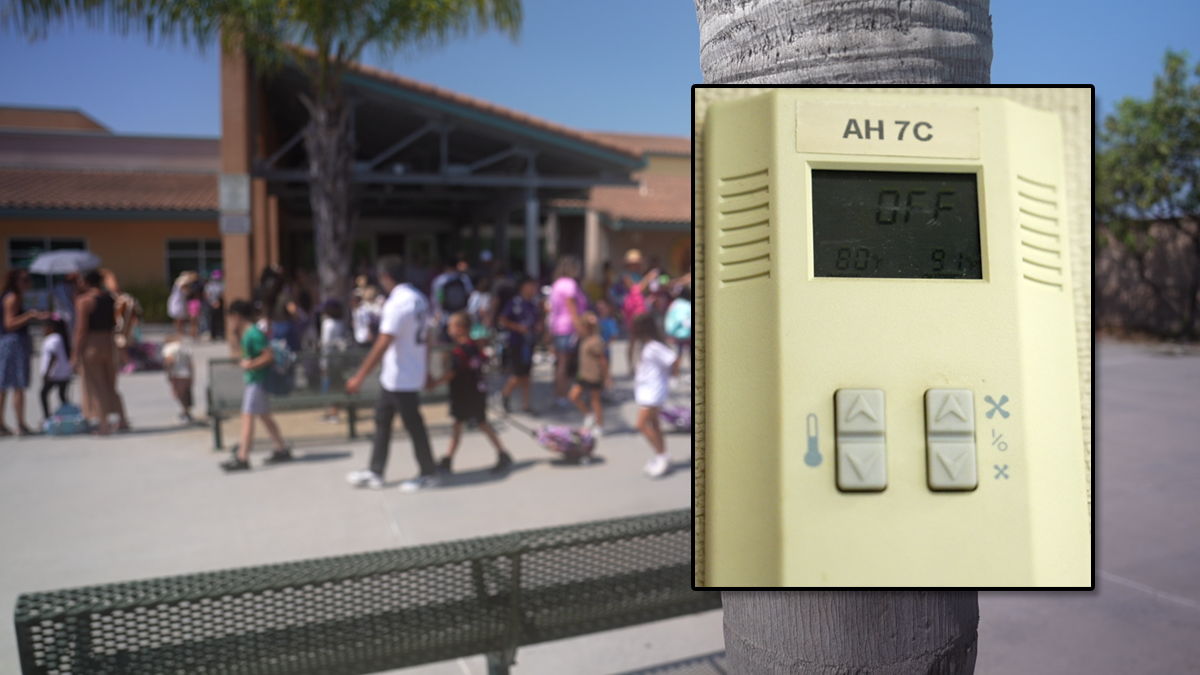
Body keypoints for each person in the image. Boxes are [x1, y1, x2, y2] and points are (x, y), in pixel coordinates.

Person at [345, 255, 438, 491]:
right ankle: (376, 471)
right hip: (401, 374)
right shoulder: (418, 298)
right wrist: (425, 369)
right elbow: (427, 337)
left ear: (386, 277)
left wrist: (359, 376)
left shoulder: (397, 303)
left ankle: (428, 472)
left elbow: (383, 343)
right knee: (382, 420)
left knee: (413, 425)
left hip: (401, 376)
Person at [429, 312, 513, 475]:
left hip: (465, 394)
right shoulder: (474, 346)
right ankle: (448, 459)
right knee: (461, 424)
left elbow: (452, 372)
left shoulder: (459, 351)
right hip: (474, 392)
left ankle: (502, 453)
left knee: (480, 424)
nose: (449, 329)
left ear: (461, 328)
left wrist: (435, 383)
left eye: (451, 326)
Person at [221, 300, 291, 470]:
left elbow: (268, 356)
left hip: (256, 381)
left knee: (247, 416)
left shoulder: (253, 333)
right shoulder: (248, 333)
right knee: (264, 416)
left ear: (236, 316)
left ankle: (243, 456)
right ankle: (280, 448)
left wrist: (249, 365)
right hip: (255, 380)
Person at [72, 270, 130, 435]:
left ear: (85, 282)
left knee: (95, 385)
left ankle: (103, 425)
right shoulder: (110, 299)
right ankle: (123, 420)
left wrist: (75, 354)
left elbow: (81, 330)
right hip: (109, 342)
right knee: (110, 384)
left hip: (92, 343)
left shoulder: (84, 301)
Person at [631, 312, 679, 479]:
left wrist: (673, 377)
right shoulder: (645, 345)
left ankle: (662, 456)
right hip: (647, 390)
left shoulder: (653, 346)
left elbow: (674, 359)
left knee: (641, 425)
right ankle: (663, 455)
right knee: (654, 425)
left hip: (654, 391)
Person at [0, 270, 48, 435]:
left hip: (10, 343)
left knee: (5, 385)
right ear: (15, 281)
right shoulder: (12, 297)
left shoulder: (11, 296)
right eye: (24, 280)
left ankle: (5, 425)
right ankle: (20, 424)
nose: (28, 283)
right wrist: (30, 315)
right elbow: (9, 323)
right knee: (16, 385)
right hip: (13, 343)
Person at [547, 255, 589, 407]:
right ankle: (563, 394)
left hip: (558, 327)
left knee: (560, 363)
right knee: (566, 364)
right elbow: (573, 311)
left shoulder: (556, 284)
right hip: (569, 328)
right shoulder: (570, 285)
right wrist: (581, 330)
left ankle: (559, 393)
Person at [498, 276, 541, 415]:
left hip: (529, 343)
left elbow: (536, 322)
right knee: (518, 374)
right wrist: (517, 328)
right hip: (517, 343)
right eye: (531, 286)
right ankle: (504, 394)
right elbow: (503, 319)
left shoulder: (534, 304)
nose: (534, 289)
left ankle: (526, 403)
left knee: (527, 375)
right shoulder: (515, 302)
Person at [567, 312, 611, 436]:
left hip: (594, 375)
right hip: (583, 374)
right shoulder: (583, 339)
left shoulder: (596, 341)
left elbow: (603, 359)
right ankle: (588, 415)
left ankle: (599, 425)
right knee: (573, 396)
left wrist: (607, 377)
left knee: (595, 401)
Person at [319, 299, 351, 423]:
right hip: (339, 359)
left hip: (330, 358)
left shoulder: (328, 323)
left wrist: (323, 363)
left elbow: (326, 345)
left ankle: (332, 413)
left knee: (331, 386)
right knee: (336, 385)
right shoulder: (340, 323)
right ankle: (333, 411)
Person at [39, 316, 73, 424]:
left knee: (43, 394)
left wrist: (47, 373)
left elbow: (53, 356)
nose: (43, 330)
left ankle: (47, 417)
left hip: (54, 374)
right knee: (62, 396)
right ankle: (67, 416)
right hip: (64, 373)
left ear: (51, 328)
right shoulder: (60, 338)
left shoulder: (52, 339)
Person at [431, 257, 473, 343]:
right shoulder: (463, 279)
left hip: (445, 317)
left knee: (446, 343)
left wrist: (436, 314)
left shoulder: (440, 280)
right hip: (461, 316)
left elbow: (437, 299)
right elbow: (469, 294)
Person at [161, 334, 195, 422]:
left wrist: (169, 372)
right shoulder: (186, 348)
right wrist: (192, 376)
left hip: (177, 374)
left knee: (178, 394)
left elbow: (170, 360)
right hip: (187, 373)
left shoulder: (168, 348)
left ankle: (185, 412)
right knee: (185, 394)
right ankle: (186, 412)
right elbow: (191, 364)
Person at [664, 284, 692, 370]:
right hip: (688, 334)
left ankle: (675, 374)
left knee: (678, 354)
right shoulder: (688, 305)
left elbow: (669, 319)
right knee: (690, 354)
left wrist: (670, 332)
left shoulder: (674, 304)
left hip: (677, 334)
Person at [204, 270, 225, 341]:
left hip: (220, 304)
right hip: (211, 304)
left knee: (221, 320)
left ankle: (221, 333)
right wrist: (212, 302)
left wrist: (219, 302)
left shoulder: (222, 285)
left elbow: (223, 295)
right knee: (212, 320)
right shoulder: (209, 286)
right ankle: (213, 334)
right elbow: (206, 295)